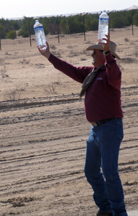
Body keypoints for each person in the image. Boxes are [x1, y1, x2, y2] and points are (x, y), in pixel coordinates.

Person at [37, 34, 127, 216]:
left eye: (95, 52)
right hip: (95, 130)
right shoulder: (91, 73)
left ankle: (119, 212)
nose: (91, 55)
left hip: (110, 128)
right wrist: (49, 56)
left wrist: (109, 53)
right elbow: (69, 69)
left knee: (110, 173)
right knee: (91, 171)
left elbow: (115, 72)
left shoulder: (112, 73)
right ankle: (106, 208)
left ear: (104, 54)